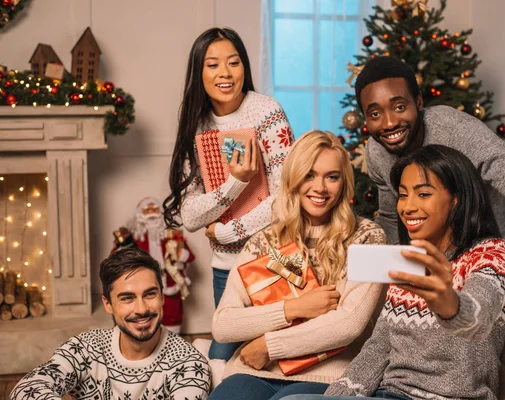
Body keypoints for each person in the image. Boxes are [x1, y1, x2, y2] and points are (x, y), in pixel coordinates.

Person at [354, 55, 505, 318]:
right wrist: (391, 268)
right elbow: (392, 218)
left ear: (419, 102)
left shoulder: (457, 132)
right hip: (460, 257)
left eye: (400, 107)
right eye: (376, 113)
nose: (389, 123)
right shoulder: (377, 153)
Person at [280, 144, 505, 400]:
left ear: (457, 199)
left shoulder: (493, 253)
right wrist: (337, 397)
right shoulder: (407, 260)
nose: (407, 207)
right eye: (403, 195)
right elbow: (378, 349)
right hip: (390, 394)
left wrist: (450, 305)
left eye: (423, 194)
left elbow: (478, 315)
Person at [207, 131, 387, 400]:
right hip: (254, 371)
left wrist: (269, 345)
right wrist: (293, 309)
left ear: (344, 182)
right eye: (309, 175)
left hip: (331, 375)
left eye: (332, 177)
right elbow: (223, 325)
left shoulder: (369, 238)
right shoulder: (265, 240)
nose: (320, 188)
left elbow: (348, 324)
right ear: (293, 179)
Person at [163, 27, 294, 359]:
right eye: (213, 64)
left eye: (233, 62)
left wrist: (225, 230)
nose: (225, 73)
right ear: (199, 72)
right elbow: (190, 216)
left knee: (274, 355)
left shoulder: (266, 111)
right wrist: (237, 181)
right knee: (225, 358)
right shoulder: (197, 122)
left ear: (244, 68)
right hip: (225, 266)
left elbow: (285, 196)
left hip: (273, 259)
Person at [10, 248, 210, 400]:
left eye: (150, 294)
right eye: (127, 298)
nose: (141, 309)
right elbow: (26, 388)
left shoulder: (189, 365)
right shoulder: (86, 348)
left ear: (162, 297)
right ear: (108, 304)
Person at [112, 196, 195, 334]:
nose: (151, 213)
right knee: (143, 311)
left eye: (154, 209)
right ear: (139, 214)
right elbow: (114, 257)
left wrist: (180, 254)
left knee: (171, 311)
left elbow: (190, 256)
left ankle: (172, 342)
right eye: (147, 210)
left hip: (169, 281)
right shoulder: (133, 237)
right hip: (140, 282)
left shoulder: (172, 235)